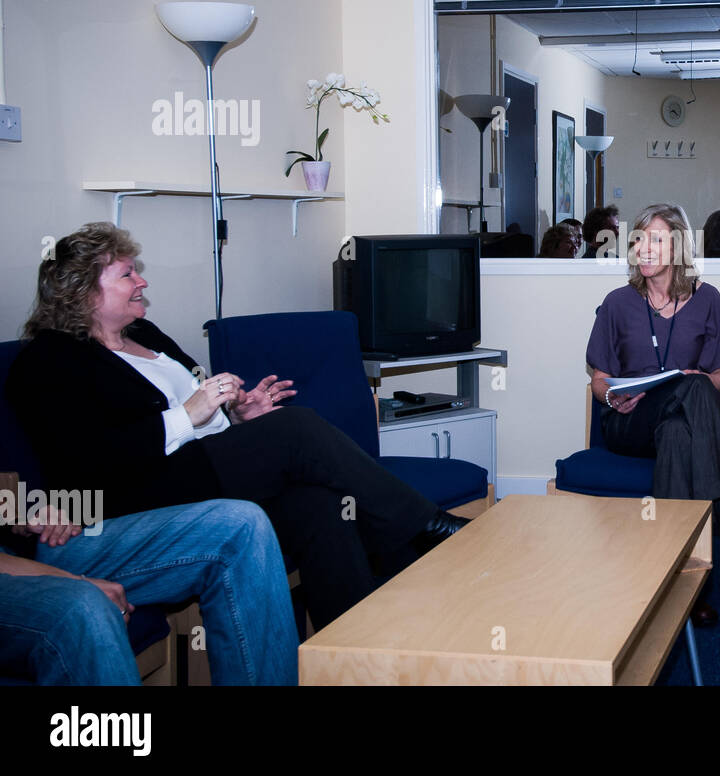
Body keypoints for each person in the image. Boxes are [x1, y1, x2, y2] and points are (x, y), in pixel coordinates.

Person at [6, 223, 470, 629]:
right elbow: (86, 462)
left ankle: (356, 651)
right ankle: (425, 526)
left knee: (321, 505)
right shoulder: (49, 360)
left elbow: (199, 411)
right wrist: (187, 415)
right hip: (139, 496)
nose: (141, 280)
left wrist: (237, 415)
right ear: (84, 292)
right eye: (126, 274)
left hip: (200, 468)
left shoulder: (144, 335)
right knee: (295, 429)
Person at [586, 203, 720, 626]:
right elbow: (600, 379)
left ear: (678, 247)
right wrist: (612, 397)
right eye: (638, 239)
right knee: (691, 386)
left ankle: (681, 588)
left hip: (682, 423)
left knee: (679, 425)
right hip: (628, 421)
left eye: (655, 239)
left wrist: (698, 381)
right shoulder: (617, 303)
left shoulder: (707, 300)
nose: (644, 248)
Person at [0, 499, 297, 685]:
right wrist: (72, 580)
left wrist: (18, 515)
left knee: (241, 524)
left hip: (28, 546)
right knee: (83, 607)